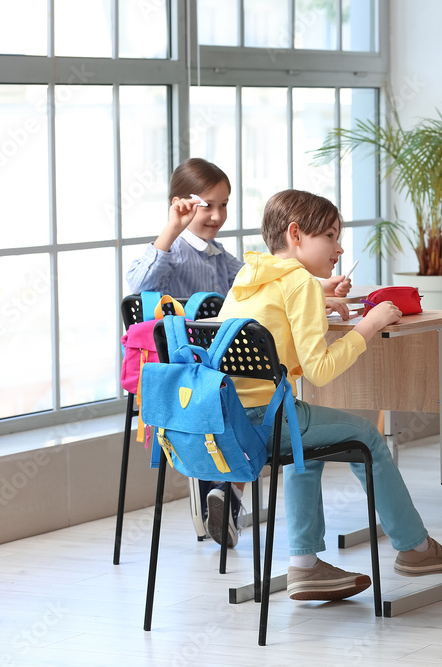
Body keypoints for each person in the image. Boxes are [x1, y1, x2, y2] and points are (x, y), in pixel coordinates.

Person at [218, 189, 442, 601]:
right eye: (330, 236)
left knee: (310, 446)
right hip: (270, 419)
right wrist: (369, 325)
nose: (339, 247)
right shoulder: (300, 284)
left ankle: (305, 565)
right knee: (368, 436)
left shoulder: (249, 275)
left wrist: (320, 300)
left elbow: (275, 315)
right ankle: (416, 549)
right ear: (296, 234)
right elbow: (320, 370)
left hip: (235, 418)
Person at [126, 158, 352, 549]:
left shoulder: (222, 257)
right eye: (206, 205)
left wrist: (319, 290)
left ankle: (225, 493)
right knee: (257, 405)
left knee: (246, 402)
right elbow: (138, 285)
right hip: (187, 377)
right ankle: (224, 490)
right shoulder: (174, 252)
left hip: (217, 378)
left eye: (223, 204)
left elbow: (267, 291)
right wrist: (171, 229)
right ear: (180, 204)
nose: (216, 215)